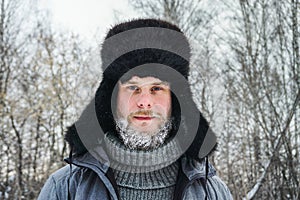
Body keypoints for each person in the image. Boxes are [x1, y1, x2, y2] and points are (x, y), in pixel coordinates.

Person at [38, 18, 233, 200]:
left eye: (157, 88)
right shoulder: (65, 188)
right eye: (133, 87)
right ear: (111, 98)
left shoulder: (213, 192)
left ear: (176, 100)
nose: (145, 102)